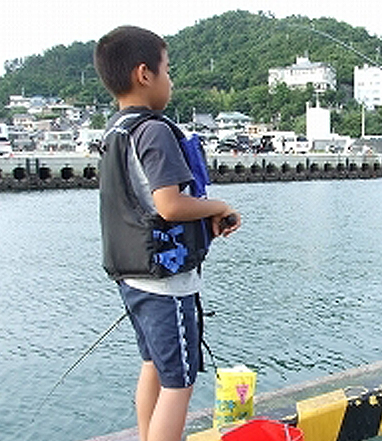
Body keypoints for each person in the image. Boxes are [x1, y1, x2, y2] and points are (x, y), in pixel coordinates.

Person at [94, 26, 240, 441]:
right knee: (179, 382)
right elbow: (170, 205)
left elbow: (144, 205)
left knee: (154, 367)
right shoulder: (154, 130)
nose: (170, 80)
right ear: (145, 74)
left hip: (133, 278)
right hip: (167, 285)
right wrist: (221, 207)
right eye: (168, 70)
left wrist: (203, 220)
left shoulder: (115, 132)